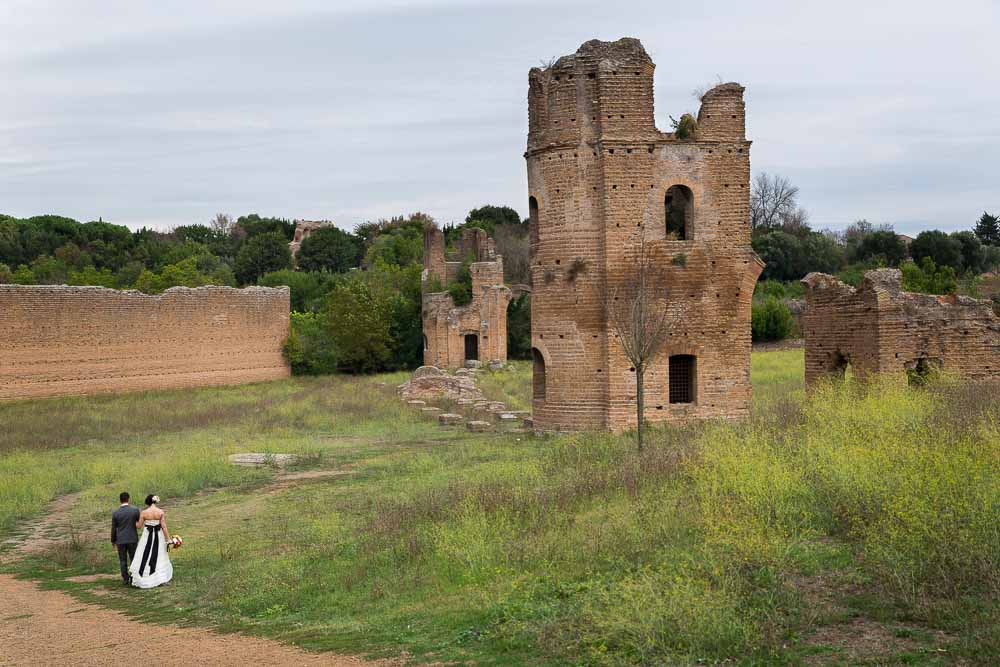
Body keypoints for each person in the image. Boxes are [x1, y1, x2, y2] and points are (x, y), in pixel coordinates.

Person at [129, 494, 173, 588]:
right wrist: (168, 539)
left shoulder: (144, 513)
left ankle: (143, 576)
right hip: (158, 536)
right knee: (159, 554)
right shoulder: (160, 512)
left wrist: (133, 521)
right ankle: (160, 578)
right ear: (155, 501)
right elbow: (164, 527)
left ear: (148, 502)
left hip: (147, 535)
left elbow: (139, 526)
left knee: (144, 553)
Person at [110, 492, 140, 586]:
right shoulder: (135, 510)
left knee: (122, 560)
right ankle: (134, 576)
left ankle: (125, 578)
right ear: (128, 499)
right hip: (132, 538)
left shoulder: (115, 513)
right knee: (133, 558)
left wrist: (113, 540)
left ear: (120, 500)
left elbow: (114, 528)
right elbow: (139, 523)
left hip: (121, 540)